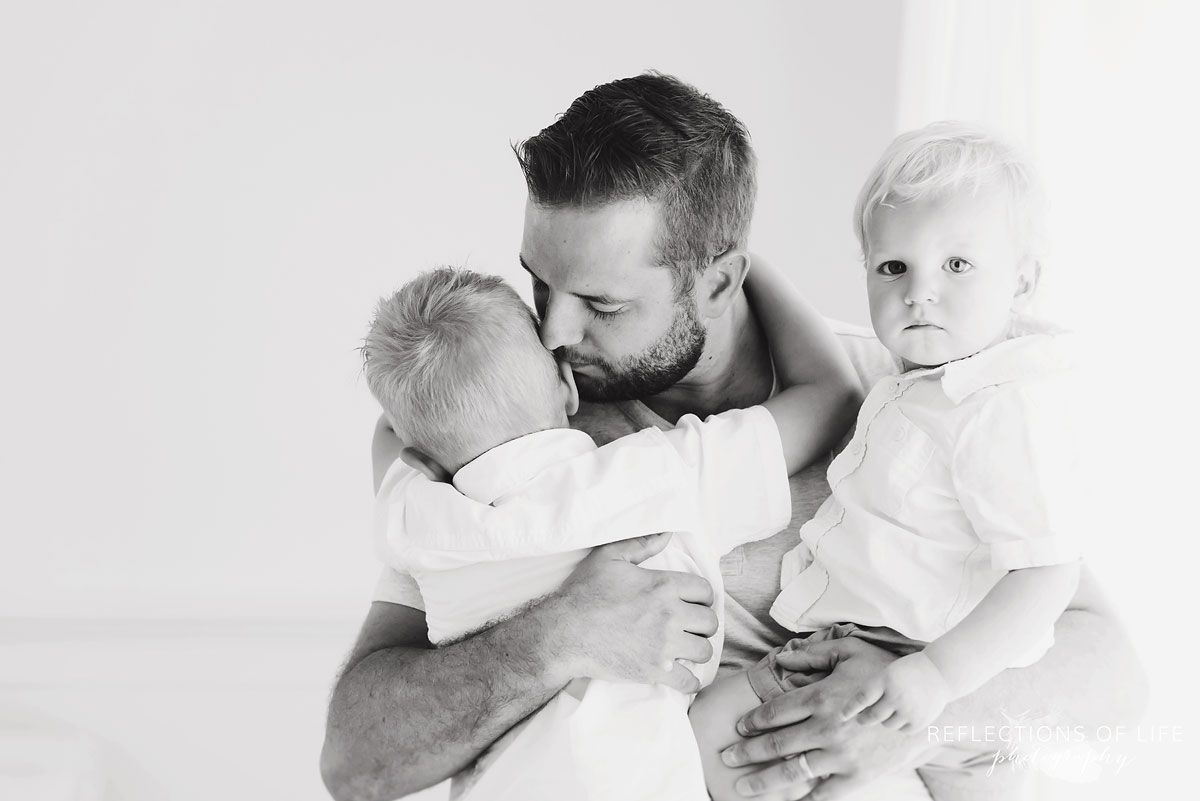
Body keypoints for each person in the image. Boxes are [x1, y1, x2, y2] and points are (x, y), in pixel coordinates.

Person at [320, 73, 1147, 801]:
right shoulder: (519, 441)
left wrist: (906, 717)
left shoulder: (914, 399)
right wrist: (555, 635)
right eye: (540, 284)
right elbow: (356, 764)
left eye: (602, 304)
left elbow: (1112, 679)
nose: (555, 332)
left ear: (719, 279)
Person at [690, 122, 1086, 801]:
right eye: (892, 267)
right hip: (857, 645)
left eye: (957, 265)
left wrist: (939, 677)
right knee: (714, 735)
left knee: (723, 736)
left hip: (929, 667)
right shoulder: (908, 381)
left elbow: (1047, 572)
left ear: (1023, 281)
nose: (918, 291)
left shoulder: (998, 407)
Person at [361, 260, 856, 800]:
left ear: (419, 461)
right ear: (569, 390)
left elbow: (391, 441)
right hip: (636, 778)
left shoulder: (418, 512)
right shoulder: (646, 478)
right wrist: (753, 271)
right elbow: (829, 396)